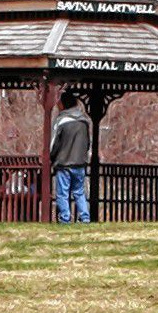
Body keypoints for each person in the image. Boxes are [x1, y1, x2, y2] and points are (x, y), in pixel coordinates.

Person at [49, 91, 94, 223]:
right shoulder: (84, 121)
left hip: (64, 162)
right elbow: (88, 143)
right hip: (80, 162)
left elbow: (53, 144)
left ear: (62, 105)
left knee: (63, 193)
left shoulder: (61, 121)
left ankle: (65, 218)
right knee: (79, 192)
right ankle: (85, 218)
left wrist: (52, 157)